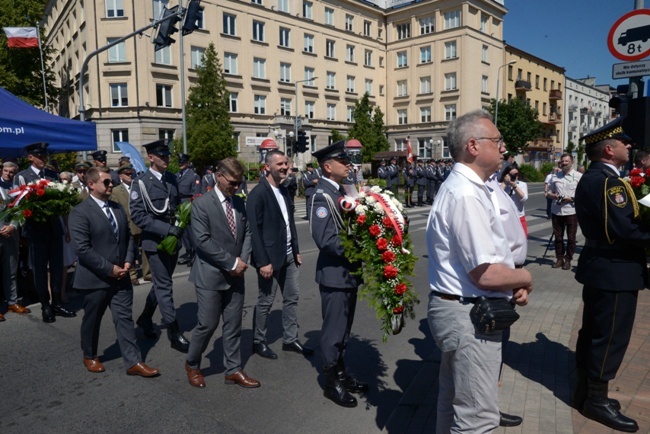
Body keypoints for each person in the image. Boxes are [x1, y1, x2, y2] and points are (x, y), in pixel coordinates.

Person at [426, 110, 532, 433]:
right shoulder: (466, 192)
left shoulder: (470, 186)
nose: (503, 148)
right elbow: (484, 274)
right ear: (473, 145)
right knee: (478, 419)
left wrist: (511, 279)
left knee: (454, 400)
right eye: (497, 141)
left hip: (463, 309)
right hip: (469, 315)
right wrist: (525, 277)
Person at [573, 118, 647, 432]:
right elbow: (624, 229)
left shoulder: (600, 178)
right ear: (608, 148)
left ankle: (586, 393)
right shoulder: (608, 183)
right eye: (624, 143)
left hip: (605, 266)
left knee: (594, 332)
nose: (629, 147)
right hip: (615, 267)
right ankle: (596, 400)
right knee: (609, 337)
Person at [69, 167, 159, 377]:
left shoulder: (118, 208)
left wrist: (128, 261)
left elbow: (128, 238)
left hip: (121, 277)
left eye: (112, 182)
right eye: (107, 182)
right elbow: (82, 248)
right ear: (91, 184)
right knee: (93, 319)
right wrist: (109, 269)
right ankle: (90, 355)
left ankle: (133, 361)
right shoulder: (80, 212)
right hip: (96, 278)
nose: (111, 186)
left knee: (124, 318)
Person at [185, 157, 260, 389]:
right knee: (207, 324)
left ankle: (233, 369)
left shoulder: (238, 202)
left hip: (236, 274)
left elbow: (247, 232)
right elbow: (202, 242)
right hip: (210, 275)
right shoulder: (201, 204)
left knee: (233, 324)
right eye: (232, 182)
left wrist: (242, 260)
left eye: (239, 183)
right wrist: (231, 263)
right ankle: (192, 363)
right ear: (219, 176)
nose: (236, 187)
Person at [310, 140, 368, 408]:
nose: (348, 164)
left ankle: (341, 374)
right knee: (334, 332)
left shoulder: (343, 191)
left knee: (343, 331)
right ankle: (330, 382)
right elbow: (325, 239)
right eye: (342, 161)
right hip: (335, 274)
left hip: (348, 273)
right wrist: (360, 245)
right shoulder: (322, 196)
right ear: (327, 166)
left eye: (347, 160)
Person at [247, 150, 312, 360]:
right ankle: (258, 341)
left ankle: (290, 339)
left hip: (289, 256)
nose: (284, 167)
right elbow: (254, 232)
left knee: (291, 298)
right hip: (269, 259)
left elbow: (289, 223)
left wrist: (296, 249)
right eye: (279, 164)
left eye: (286, 163)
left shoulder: (284, 190)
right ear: (267, 167)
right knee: (265, 302)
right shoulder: (258, 194)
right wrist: (262, 262)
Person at [130, 139, 190, 352]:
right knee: (164, 286)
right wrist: (166, 230)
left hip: (173, 242)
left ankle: (146, 318)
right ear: (151, 157)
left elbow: (175, 206)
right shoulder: (141, 183)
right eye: (162, 156)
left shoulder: (171, 179)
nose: (167, 159)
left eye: (168, 155)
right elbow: (138, 215)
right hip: (155, 243)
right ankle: (174, 332)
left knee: (161, 284)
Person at [14, 142, 76, 323]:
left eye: (44, 156)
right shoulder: (22, 177)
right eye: (39, 156)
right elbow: (19, 204)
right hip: (36, 229)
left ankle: (57, 302)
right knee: (40, 269)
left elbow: (61, 202)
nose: (43, 159)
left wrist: (66, 226)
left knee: (57, 267)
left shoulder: (52, 175)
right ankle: (45, 305)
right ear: (30, 157)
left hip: (55, 227)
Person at [0, 162, 30, 321]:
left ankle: (12, 302)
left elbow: (21, 211)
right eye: (5, 171)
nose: (8, 174)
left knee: (11, 271)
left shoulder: (18, 190)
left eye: (12, 172)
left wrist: (13, 226)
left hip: (10, 235)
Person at [547, 153, 582, 270]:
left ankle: (568, 260)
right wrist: (555, 196)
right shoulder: (555, 176)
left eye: (566, 161)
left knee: (571, 238)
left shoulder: (578, 176)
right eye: (562, 161)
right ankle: (559, 259)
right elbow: (549, 192)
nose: (564, 163)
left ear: (572, 162)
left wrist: (571, 198)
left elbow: (583, 195)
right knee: (558, 237)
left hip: (571, 211)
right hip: (557, 211)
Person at [109, 164, 142, 286]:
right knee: (130, 250)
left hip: (140, 223)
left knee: (142, 250)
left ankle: (148, 272)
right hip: (127, 224)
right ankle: (132, 275)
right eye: (127, 174)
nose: (130, 176)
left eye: (131, 173)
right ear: (120, 176)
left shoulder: (138, 187)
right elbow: (117, 209)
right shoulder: (116, 191)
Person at [176, 154, 200, 266]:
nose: (180, 164)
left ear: (187, 163)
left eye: (182, 162)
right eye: (179, 162)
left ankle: (194, 254)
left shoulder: (193, 176)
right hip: (179, 205)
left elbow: (196, 194)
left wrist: (191, 207)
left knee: (190, 231)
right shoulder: (177, 176)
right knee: (183, 231)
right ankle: (188, 252)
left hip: (188, 204)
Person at [499, 163, 529, 237]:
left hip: (519, 217)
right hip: (505, 218)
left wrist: (514, 186)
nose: (514, 176)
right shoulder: (500, 185)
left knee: (523, 240)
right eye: (511, 174)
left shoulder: (522, 184)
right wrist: (504, 183)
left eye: (516, 174)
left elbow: (523, 198)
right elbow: (497, 197)